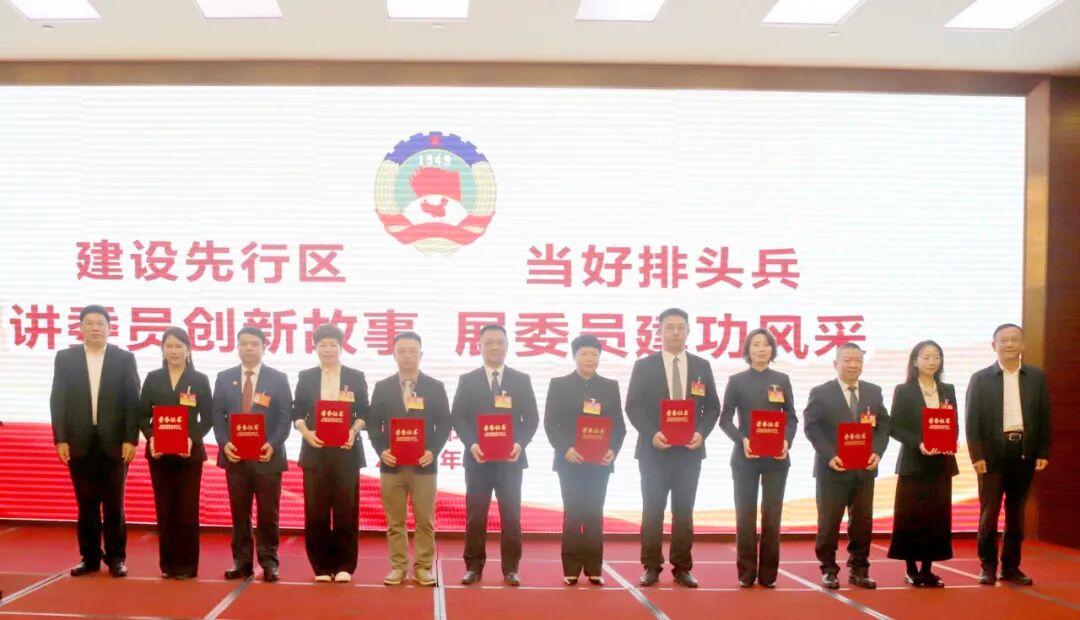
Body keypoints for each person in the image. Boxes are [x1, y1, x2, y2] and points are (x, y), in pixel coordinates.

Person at [626, 307, 720, 589]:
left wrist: (701, 434)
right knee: (652, 510)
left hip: (689, 452)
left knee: (684, 511)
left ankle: (682, 567)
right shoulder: (644, 366)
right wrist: (651, 434)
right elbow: (633, 406)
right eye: (669, 327)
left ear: (688, 331)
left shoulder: (701, 366)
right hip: (654, 451)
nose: (675, 332)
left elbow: (712, 407)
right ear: (660, 331)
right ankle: (651, 566)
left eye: (680, 327)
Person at [50, 304, 140, 577]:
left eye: (100, 323)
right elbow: (58, 399)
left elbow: (132, 401)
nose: (95, 328)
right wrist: (60, 439)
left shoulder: (124, 359)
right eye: (89, 323)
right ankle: (89, 558)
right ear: (80, 328)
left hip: (115, 444)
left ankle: (116, 558)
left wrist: (131, 439)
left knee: (114, 505)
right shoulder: (65, 358)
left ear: (109, 328)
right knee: (86, 504)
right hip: (79, 443)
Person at [451, 323, 539, 587]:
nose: (494, 347)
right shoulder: (468, 380)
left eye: (499, 342)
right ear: (479, 346)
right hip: (478, 460)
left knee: (511, 516)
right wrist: (471, 444)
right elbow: (458, 416)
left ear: (507, 346)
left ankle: (511, 568)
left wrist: (520, 444)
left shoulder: (520, 380)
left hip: (510, 460)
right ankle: (473, 567)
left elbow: (531, 418)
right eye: (488, 342)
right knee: (476, 515)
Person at [966, 323, 1050, 586]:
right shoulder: (980, 379)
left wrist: (1042, 451)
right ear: (994, 346)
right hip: (992, 454)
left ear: (1023, 345)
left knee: (1016, 513)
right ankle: (988, 566)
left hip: (1024, 451)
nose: (1009, 344)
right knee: (989, 512)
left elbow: (1044, 415)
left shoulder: (1036, 377)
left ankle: (1011, 567)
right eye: (1004, 340)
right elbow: (972, 421)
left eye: (1015, 339)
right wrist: (976, 456)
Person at [367, 331, 452, 587]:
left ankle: (423, 567)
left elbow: (444, 423)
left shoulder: (435, 387)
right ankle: (399, 566)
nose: (407, 356)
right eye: (401, 351)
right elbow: (373, 424)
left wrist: (433, 451)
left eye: (412, 351)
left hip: (423, 465)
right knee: (395, 521)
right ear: (394, 355)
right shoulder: (382, 387)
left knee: (425, 520)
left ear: (421, 354)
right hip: (392, 466)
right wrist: (381, 450)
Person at [803, 342, 890, 590]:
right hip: (833, 469)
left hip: (864, 469)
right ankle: (828, 569)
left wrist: (877, 452)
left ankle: (859, 569)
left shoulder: (873, 391)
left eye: (858, 360)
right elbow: (811, 427)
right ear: (835, 363)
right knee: (829, 522)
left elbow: (884, 425)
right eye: (848, 360)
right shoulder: (821, 392)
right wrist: (829, 455)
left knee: (862, 523)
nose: (853, 365)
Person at [543, 334, 627, 586]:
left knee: (594, 514)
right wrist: (565, 449)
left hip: (599, 463)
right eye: (584, 354)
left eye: (594, 354)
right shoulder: (559, 384)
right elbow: (551, 423)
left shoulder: (609, 386)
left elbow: (619, 426)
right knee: (573, 514)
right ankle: (570, 568)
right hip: (570, 461)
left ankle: (594, 568)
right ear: (574, 356)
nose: (590, 359)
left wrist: (613, 450)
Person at [211, 326, 293, 582]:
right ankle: (241, 561)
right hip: (236, 458)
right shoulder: (224, 378)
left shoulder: (278, 378)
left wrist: (273, 444)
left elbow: (285, 418)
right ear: (237, 347)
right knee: (239, 514)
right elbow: (217, 416)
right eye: (244, 343)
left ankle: (269, 562)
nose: (249, 348)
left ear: (264, 347)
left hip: (267, 458)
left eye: (254, 344)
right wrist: (224, 443)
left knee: (269, 514)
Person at [718, 328, 798, 588]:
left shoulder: (782, 380)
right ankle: (746, 572)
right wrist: (742, 440)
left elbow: (791, 418)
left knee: (772, 517)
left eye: (766, 344)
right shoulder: (737, 381)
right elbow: (725, 420)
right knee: (745, 516)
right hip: (745, 458)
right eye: (756, 344)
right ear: (748, 350)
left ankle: (768, 575)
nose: (761, 349)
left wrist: (786, 441)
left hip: (776, 459)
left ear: (772, 349)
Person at [292, 324, 369, 583]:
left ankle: (345, 564)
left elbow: (364, 412)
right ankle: (321, 566)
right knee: (316, 511)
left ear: (341, 347)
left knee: (346, 510)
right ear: (315, 348)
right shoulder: (306, 377)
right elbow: (297, 412)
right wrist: (306, 432)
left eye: (332, 345)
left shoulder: (355, 377)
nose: (327, 350)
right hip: (315, 451)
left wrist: (353, 431)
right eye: (322, 345)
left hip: (346, 451)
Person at [137, 327, 213, 580]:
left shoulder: (199, 379)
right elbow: (142, 415)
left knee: (187, 510)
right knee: (165, 509)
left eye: (179, 346)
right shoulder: (153, 378)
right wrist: (152, 436)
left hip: (189, 455)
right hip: (159, 455)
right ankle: (168, 565)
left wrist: (192, 438)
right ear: (162, 350)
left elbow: (208, 418)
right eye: (169, 346)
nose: (174, 351)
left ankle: (188, 566)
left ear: (188, 349)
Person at [887, 340, 958, 588]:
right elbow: (894, 427)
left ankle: (928, 568)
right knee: (911, 515)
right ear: (915, 361)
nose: (932, 362)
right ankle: (911, 568)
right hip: (914, 462)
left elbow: (953, 422)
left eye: (936, 357)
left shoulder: (947, 389)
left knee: (936, 517)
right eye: (926, 357)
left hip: (941, 463)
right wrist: (919, 443)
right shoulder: (904, 390)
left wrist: (952, 441)